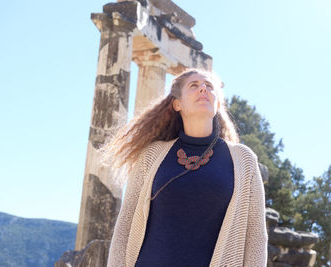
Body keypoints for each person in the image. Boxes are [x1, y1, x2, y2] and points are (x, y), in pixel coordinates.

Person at [104, 69, 267, 267]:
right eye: (194, 85)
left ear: (217, 104)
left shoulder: (244, 160)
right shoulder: (151, 155)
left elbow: (256, 237)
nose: (203, 89)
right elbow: (125, 227)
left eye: (209, 86)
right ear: (177, 104)